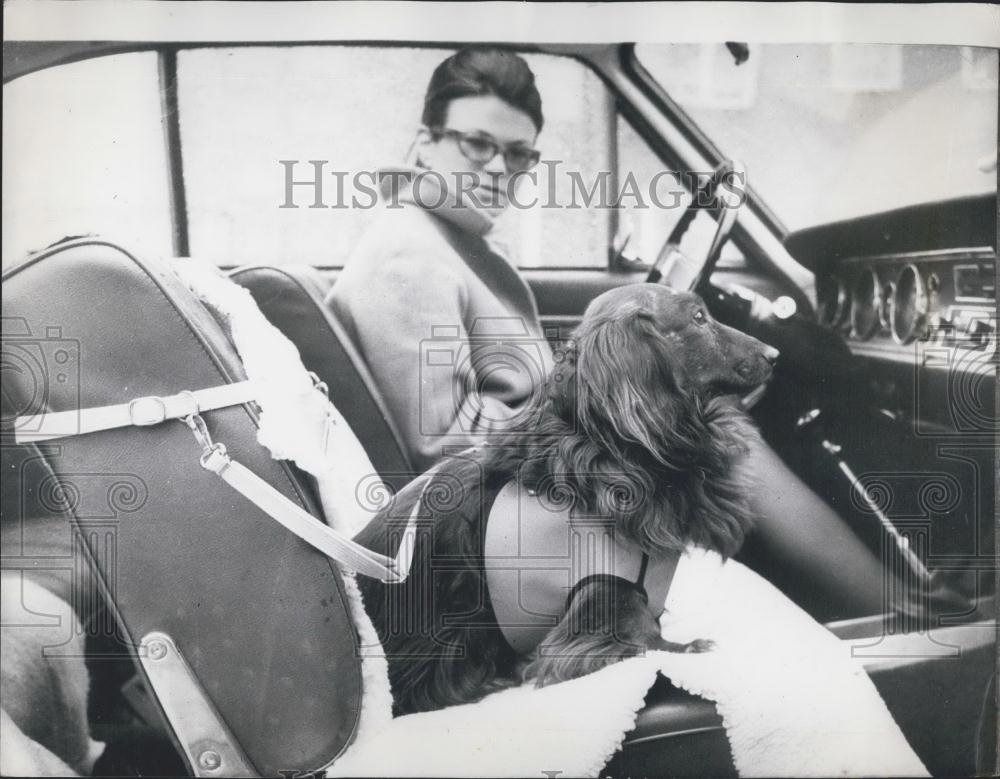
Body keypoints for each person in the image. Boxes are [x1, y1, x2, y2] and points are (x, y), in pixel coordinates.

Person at [329, 46, 890, 617]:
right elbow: (442, 446)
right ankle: (892, 613)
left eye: (518, 153)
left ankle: (874, 604)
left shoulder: (454, 241)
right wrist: (618, 410)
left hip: (526, 482)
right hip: (496, 520)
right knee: (733, 448)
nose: (498, 168)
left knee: (715, 422)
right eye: (477, 144)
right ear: (427, 142)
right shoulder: (408, 255)